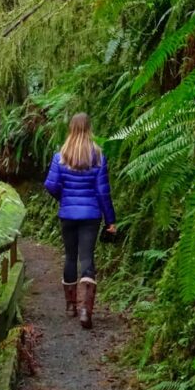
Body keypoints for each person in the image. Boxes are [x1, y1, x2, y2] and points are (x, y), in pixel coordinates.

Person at [44, 112, 116, 329]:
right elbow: (103, 192)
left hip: (67, 215)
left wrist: (63, 198)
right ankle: (86, 311)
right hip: (91, 216)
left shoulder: (60, 156)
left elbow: (50, 185)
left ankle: (70, 306)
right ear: (88, 129)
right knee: (86, 257)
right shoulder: (98, 156)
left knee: (70, 257)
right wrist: (111, 220)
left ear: (71, 128)